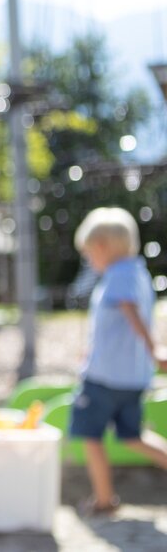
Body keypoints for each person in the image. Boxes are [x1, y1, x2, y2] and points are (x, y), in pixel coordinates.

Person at [70, 207, 167, 516]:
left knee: (90, 435)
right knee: (133, 436)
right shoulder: (138, 272)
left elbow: (130, 312)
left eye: (89, 254)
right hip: (133, 377)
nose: (90, 261)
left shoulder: (117, 275)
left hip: (104, 377)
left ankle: (103, 498)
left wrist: (155, 349)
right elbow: (119, 324)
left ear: (101, 247)